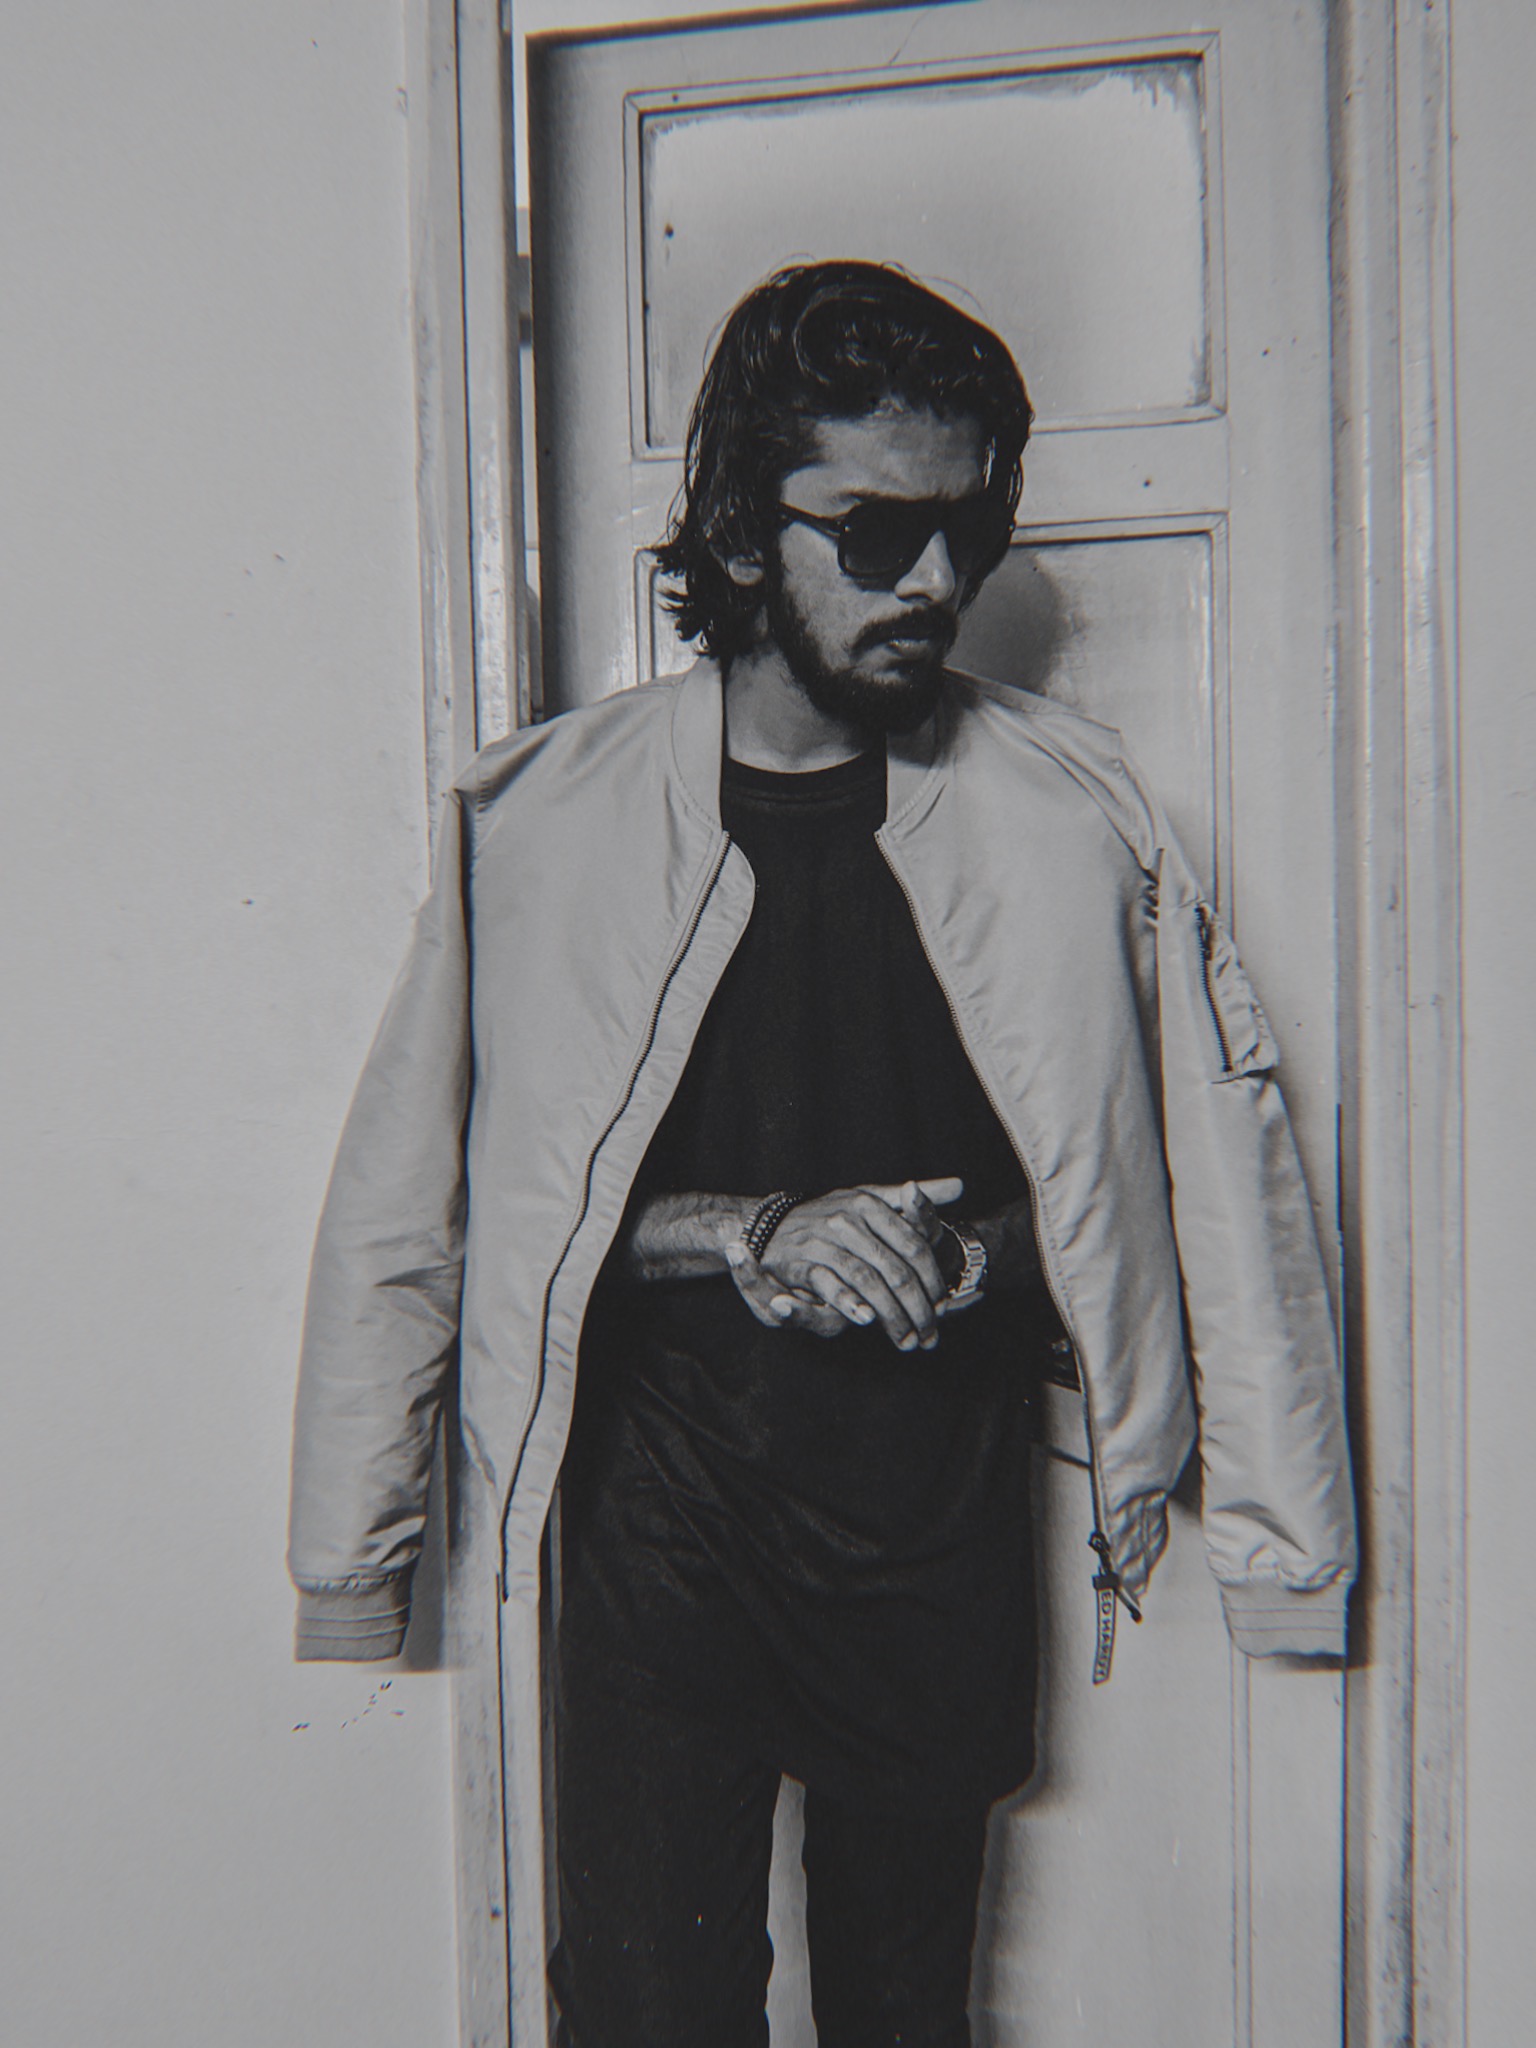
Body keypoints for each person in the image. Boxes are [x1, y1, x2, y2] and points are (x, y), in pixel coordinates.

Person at [288, 261, 1356, 2048]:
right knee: (645, 2016)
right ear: (737, 527)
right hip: (654, 1536)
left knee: (906, 2021)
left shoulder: (1073, 816)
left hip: (931, 1529)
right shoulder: (541, 823)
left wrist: (984, 1272)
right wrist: (737, 1234)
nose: (933, 582)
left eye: (965, 532)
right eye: (873, 534)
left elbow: (1197, 1189)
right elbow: (425, 1206)